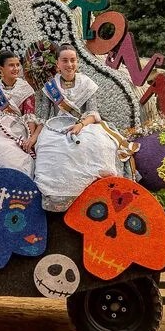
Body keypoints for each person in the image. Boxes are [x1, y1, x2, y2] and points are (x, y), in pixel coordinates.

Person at [33, 44, 124, 211]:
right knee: (50, 148)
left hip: (84, 125)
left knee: (98, 144)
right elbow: (44, 118)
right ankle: (57, 195)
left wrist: (80, 125)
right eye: (65, 61)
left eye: (73, 60)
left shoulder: (87, 84)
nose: (69, 65)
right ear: (58, 65)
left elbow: (93, 113)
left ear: (78, 62)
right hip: (56, 128)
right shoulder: (50, 88)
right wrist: (34, 137)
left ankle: (96, 192)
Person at [0, 51, 40, 177]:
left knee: (16, 155)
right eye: (11, 65)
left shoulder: (26, 89)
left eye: (18, 65)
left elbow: (29, 117)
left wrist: (30, 140)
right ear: (1, 69)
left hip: (19, 130)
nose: (16, 68)